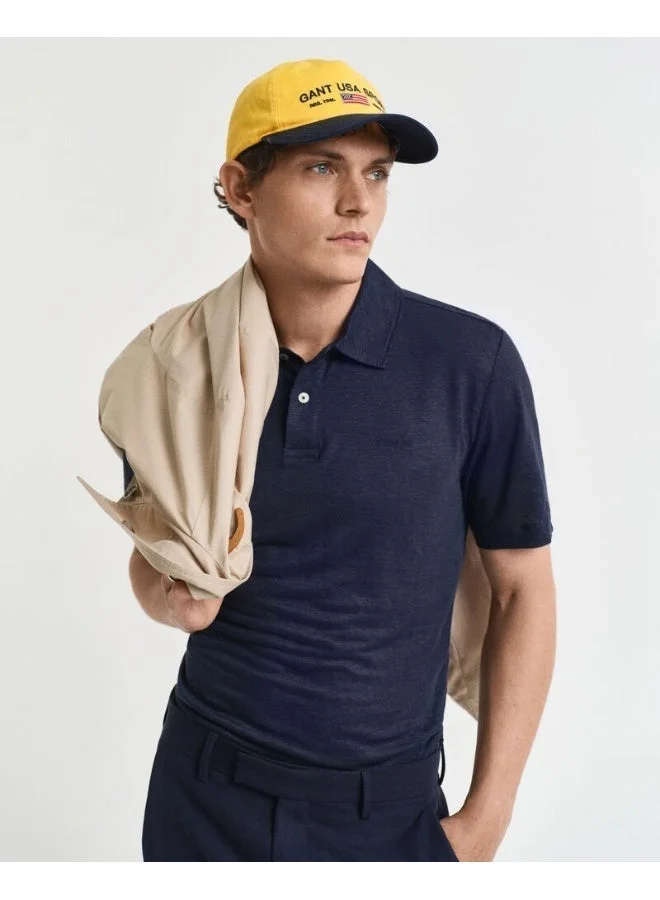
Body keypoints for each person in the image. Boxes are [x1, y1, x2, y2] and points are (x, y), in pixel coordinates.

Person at [128, 58, 556, 862]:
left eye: (377, 172)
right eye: (322, 168)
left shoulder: (470, 363)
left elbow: (523, 587)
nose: (359, 201)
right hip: (204, 798)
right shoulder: (176, 362)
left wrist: (487, 818)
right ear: (241, 189)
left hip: (387, 817)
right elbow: (152, 562)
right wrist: (169, 598)